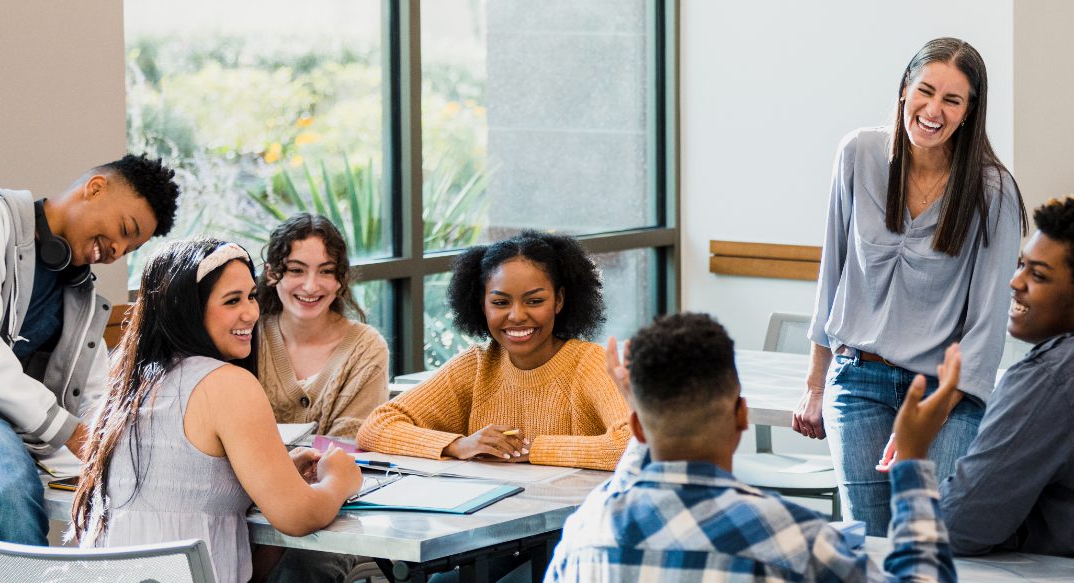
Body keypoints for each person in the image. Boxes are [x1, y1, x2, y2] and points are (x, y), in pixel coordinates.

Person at [793, 37, 1026, 535]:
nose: (933, 110)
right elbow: (830, 276)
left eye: (952, 100)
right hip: (858, 382)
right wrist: (814, 386)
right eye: (926, 91)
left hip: (947, 395)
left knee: (926, 533)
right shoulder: (857, 154)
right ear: (904, 90)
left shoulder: (993, 191)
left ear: (969, 112)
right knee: (873, 540)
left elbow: (987, 325)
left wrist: (931, 415)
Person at [547, 313, 957, 582]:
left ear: (636, 425)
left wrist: (642, 415)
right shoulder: (793, 539)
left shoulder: (584, 535)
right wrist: (914, 463)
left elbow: (630, 479)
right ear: (742, 415)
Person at [883, 196, 1074, 566]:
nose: (1015, 282)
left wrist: (912, 453)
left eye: (1039, 275)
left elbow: (957, 529)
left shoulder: (1048, 381)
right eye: (1021, 266)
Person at [71, 239, 363, 583]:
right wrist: (340, 480)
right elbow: (298, 516)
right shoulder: (226, 384)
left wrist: (277, 473)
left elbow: (183, 486)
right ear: (188, 310)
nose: (251, 313)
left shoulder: (127, 384)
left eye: (252, 296)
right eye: (232, 301)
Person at [0, 154, 180, 545]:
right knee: (8, 489)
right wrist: (69, 432)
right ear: (94, 188)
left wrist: (121, 447)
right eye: (124, 229)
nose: (117, 249)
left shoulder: (81, 296)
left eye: (130, 247)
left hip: (13, 427)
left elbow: (92, 398)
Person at [357, 229, 630, 472]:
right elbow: (376, 426)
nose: (517, 316)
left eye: (534, 301)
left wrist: (530, 449)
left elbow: (634, 444)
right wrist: (458, 445)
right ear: (482, 304)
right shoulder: (477, 365)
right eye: (500, 303)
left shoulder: (590, 364)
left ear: (558, 300)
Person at [256, 213, 389, 438]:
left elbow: (348, 446)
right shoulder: (247, 338)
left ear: (340, 278)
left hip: (335, 474)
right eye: (296, 270)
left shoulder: (366, 349)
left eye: (326, 271)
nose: (310, 286)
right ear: (271, 274)